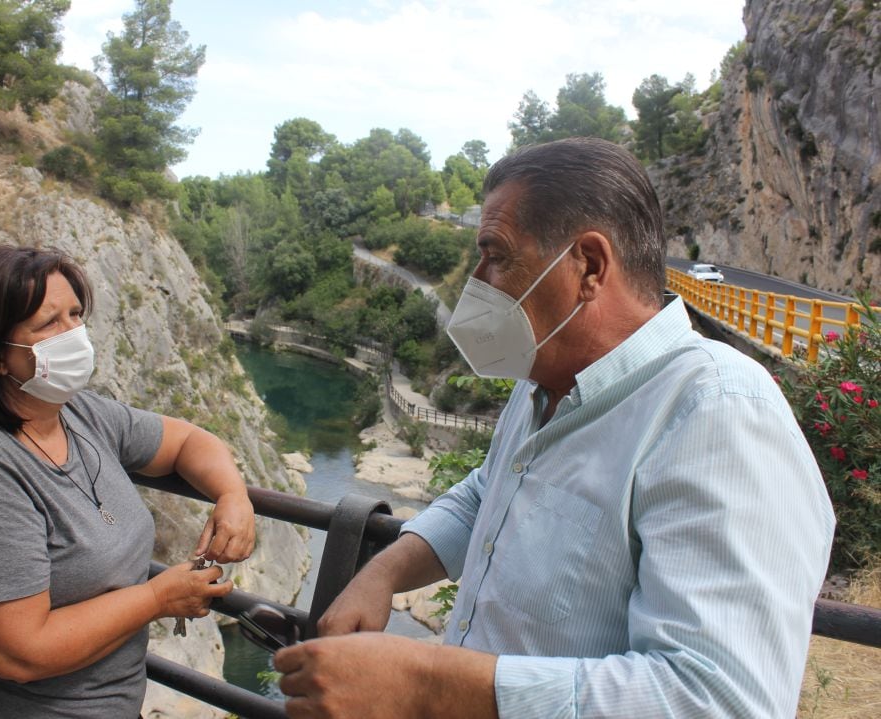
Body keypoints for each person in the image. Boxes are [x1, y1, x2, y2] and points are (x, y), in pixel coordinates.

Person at [275, 137, 835, 718]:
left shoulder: (717, 413)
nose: (477, 281)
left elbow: (718, 701)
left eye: (495, 254)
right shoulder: (545, 378)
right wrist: (384, 572)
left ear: (588, 266)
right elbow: (487, 491)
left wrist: (427, 684)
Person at [0, 245, 256, 718]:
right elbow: (17, 652)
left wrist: (233, 495)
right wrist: (156, 597)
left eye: (75, 314)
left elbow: (187, 441)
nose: (74, 334)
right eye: (49, 323)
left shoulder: (78, 414)